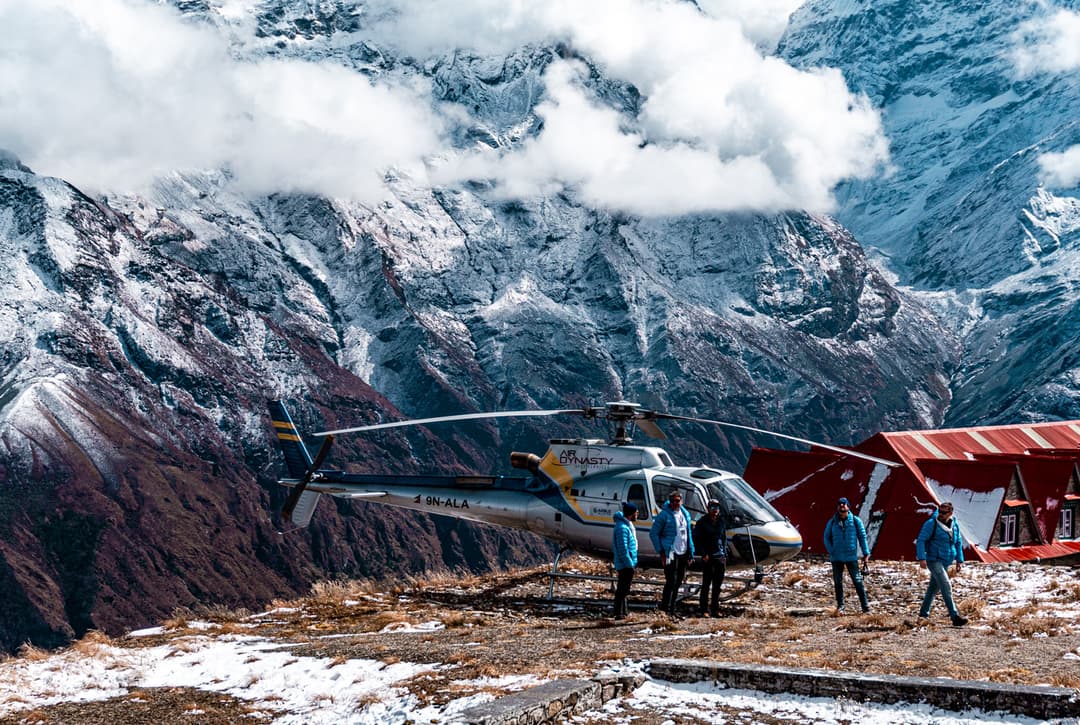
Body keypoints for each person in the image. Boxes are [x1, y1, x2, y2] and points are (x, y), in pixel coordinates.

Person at [916, 501, 968, 626]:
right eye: (939, 511)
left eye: (944, 512)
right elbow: (921, 540)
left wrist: (959, 560)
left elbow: (958, 542)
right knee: (946, 586)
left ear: (951, 513)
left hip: (947, 560)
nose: (941, 514)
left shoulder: (954, 524)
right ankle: (954, 616)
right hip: (934, 560)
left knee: (933, 589)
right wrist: (922, 558)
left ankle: (923, 615)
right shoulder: (931, 524)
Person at [823, 497, 871, 613]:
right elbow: (826, 537)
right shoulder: (832, 522)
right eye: (840, 505)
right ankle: (841, 606)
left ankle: (865, 607)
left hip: (851, 557)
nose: (842, 507)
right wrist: (832, 550)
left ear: (848, 507)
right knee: (838, 582)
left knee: (857, 581)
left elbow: (862, 537)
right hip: (836, 557)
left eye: (844, 505)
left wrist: (866, 553)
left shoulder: (855, 521)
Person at [650, 490, 695, 615]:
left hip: (683, 552)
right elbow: (653, 533)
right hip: (670, 552)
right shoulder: (664, 515)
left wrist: (691, 551)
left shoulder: (685, 514)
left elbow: (688, 534)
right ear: (670, 502)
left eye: (677, 500)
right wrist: (661, 551)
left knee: (679, 580)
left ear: (681, 501)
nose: (675, 503)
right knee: (671, 581)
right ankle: (665, 607)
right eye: (673, 501)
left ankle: (673, 607)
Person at [692, 498, 728, 617]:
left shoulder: (721, 521)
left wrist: (724, 553)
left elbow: (723, 538)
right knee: (706, 584)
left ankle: (715, 609)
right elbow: (697, 540)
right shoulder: (702, 522)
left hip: (719, 555)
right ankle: (704, 609)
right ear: (708, 509)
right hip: (708, 556)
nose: (715, 510)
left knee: (717, 586)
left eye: (717, 508)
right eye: (712, 508)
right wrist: (703, 554)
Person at [612, 502, 639, 620]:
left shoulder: (625, 526)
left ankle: (623, 611)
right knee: (622, 589)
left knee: (624, 588)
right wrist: (629, 564)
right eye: (636, 512)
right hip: (625, 564)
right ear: (631, 514)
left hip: (627, 562)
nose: (637, 515)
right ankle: (619, 612)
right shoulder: (622, 528)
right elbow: (623, 549)